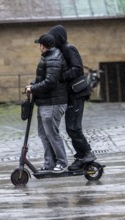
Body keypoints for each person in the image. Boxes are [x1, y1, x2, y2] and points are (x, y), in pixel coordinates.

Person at [48, 25, 96, 171]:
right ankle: (81, 156)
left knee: (73, 127)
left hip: (77, 94)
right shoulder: (60, 52)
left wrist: (60, 77)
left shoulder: (69, 49)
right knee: (71, 128)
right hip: (70, 94)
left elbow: (77, 68)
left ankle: (87, 153)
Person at [25, 33, 69, 173]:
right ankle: (49, 162)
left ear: (42, 46)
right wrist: (32, 85)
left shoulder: (54, 58)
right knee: (43, 134)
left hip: (54, 102)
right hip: (45, 102)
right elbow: (44, 78)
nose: (38, 47)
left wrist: (33, 88)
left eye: (39, 45)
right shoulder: (48, 57)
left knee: (52, 134)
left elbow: (51, 81)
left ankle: (62, 162)